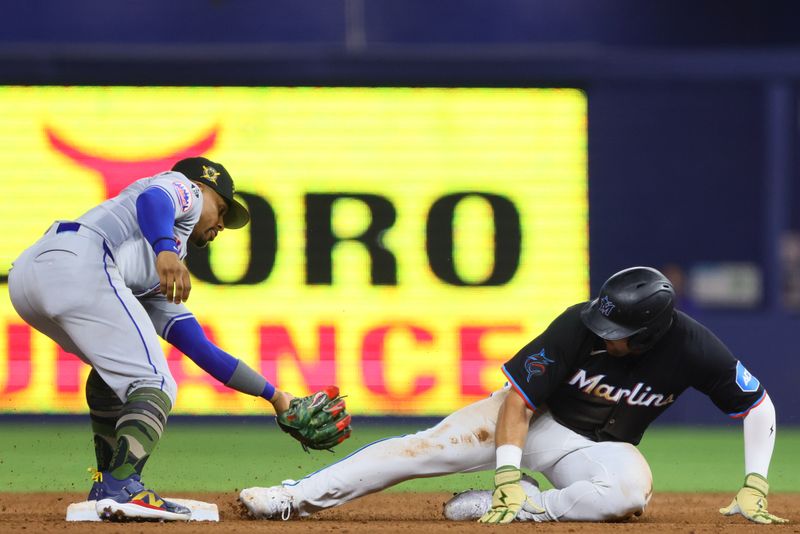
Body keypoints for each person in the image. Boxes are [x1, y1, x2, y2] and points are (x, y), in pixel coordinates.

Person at [239, 266, 787, 525]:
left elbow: (757, 406)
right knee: (422, 449)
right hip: (529, 421)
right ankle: (295, 496)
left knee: (627, 499)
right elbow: (520, 402)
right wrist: (504, 471)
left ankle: (525, 507)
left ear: (649, 334)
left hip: (595, 446)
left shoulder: (695, 348)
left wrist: (755, 483)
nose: (603, 335)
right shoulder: (579, 325)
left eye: (616, 333)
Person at [8, 157, 350, 521]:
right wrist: (166, 249)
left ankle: (106, 484)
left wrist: (276, 397)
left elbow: (200, 348)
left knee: (115, 376)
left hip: (29, 280)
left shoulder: (149, 276)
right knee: (155, 382)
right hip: (83, 261)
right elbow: (153, 200)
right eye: (221, 209)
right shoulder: (182, 189)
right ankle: (122, 487)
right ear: (203, 189)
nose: (221, 223)